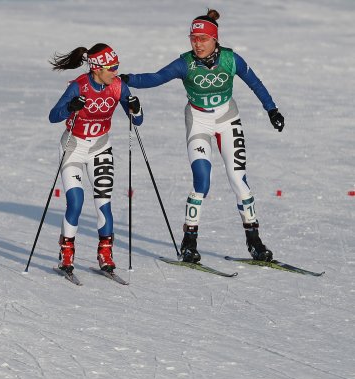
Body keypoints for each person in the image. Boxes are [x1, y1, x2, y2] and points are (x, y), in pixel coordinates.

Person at [120, 9, 285, 263]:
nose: (197, 44)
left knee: (239, 181)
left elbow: (256, 83)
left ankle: (255, 242)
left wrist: (272, 109)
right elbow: (156, 77)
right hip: (198, 121)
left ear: (214, 39)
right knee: (202, 183)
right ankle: (189, 242)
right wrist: (126, 79)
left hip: (228, 120)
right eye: (193, 39)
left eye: (203, 39)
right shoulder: (184, 63)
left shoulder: (231, 60)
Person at [48, 43, 143, 273]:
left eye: (117, 67)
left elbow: (137, 121)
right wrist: (71, 107)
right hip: (73, 147)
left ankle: (105, 252)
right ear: (96, 68)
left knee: (103, 202)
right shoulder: (79, 86)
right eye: (111, 68)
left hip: (100, 148)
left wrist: (136, 109)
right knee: (76, 202)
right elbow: (53, 116)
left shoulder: (118, 86)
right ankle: (67, 252)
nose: (115, 72)